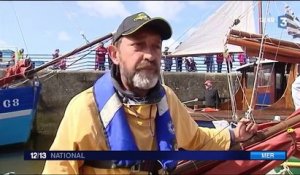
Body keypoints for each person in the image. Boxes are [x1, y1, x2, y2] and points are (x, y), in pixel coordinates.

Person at [42, 12, 257, 174]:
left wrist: (233, 135)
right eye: (138, 45)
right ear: (114, 55)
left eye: (155, 47)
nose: (149, 55)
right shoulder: (84, 109)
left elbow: (197, 139)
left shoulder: (167, 99)